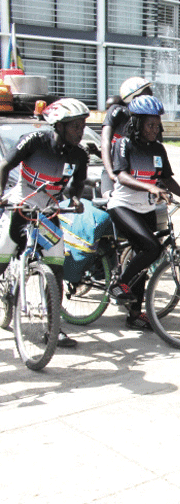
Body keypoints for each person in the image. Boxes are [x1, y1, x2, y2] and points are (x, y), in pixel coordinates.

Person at [0, 98, 89, 348]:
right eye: (75, 127)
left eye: (82, 126)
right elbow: (5, 166)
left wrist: (75, 199)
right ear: (59, 126)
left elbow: (77, 186)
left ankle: (54, 327)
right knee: (3, 253)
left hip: (48, 212)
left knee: (56, 265)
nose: (80, 132)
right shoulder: (35, 141)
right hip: (21, 204)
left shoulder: (80, 155)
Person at [107, 95, 180, 331]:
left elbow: (167, 179)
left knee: (144, 260)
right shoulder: (124, 144)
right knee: (152, 247)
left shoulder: (158, 149)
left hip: (147, 208)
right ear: (137, 124)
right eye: (150, 125)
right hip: (123, 206)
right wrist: (150, 186)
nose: (154, 129)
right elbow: (121, 175)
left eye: (157, 125)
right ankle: (120, 284)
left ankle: (135, 315)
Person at [100, 77, 152, 198]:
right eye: (147, 93)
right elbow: (105, 141)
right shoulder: (118, 112)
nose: (152, 96)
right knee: (111, 200)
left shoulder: (150, 120)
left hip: (136, 174)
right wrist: (110, 172)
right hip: (114, 170)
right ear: (133, 96)